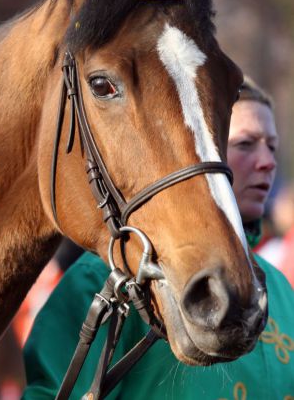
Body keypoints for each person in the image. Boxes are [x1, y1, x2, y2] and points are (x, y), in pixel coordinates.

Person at [22, 77, 294, 399]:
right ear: (200, 149)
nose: (267, 162)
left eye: (272, 147)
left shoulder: (279, 287)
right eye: (246, 144)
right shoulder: (102, 276)